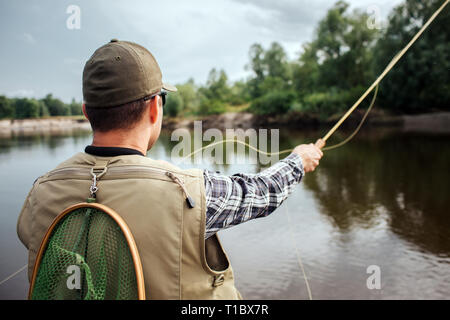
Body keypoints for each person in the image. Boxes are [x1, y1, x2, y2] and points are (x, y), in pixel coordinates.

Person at [17, 39, 324, 300]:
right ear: (155, 108)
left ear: (86, 112)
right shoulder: (190, 192)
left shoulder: (39, 192)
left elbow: (26, 233)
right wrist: (299, 160)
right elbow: (262, 192)